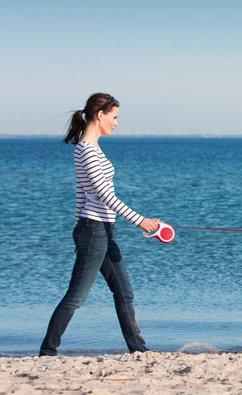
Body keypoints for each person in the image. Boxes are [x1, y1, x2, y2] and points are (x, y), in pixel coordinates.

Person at [39, 93, 165, 356]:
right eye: (114, 117)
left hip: (102, 230)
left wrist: (77, 231)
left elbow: (81, 195)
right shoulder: (86, 151)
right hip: (94, 230)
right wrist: (140, 221)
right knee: (76, 297)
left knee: (124, 292)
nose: (116, 124)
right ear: (100, 115)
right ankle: (48, 351)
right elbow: (104, 196)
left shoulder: (93, 149)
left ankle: (139, 350)